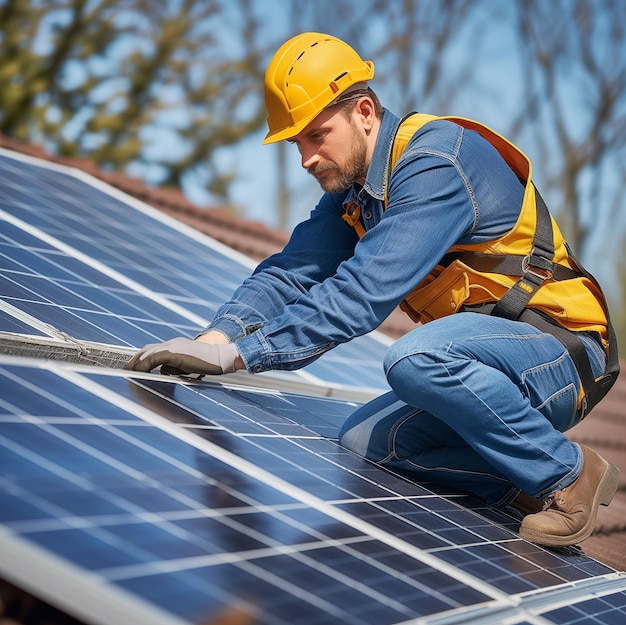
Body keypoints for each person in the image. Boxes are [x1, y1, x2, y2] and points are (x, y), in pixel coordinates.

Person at [126, 32, 621, 548]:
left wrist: (240, 355)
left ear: (364, 112)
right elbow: (290, 271)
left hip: (563, 353)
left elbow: (360, 294)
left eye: (317, 135)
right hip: (488, 364)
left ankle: (567, 474)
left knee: (416, 358)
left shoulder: (438, 163)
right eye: (297, 143)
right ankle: (521, 485)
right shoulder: (356, 193)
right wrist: (213, 340)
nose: (306, 159)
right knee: (364, 442)